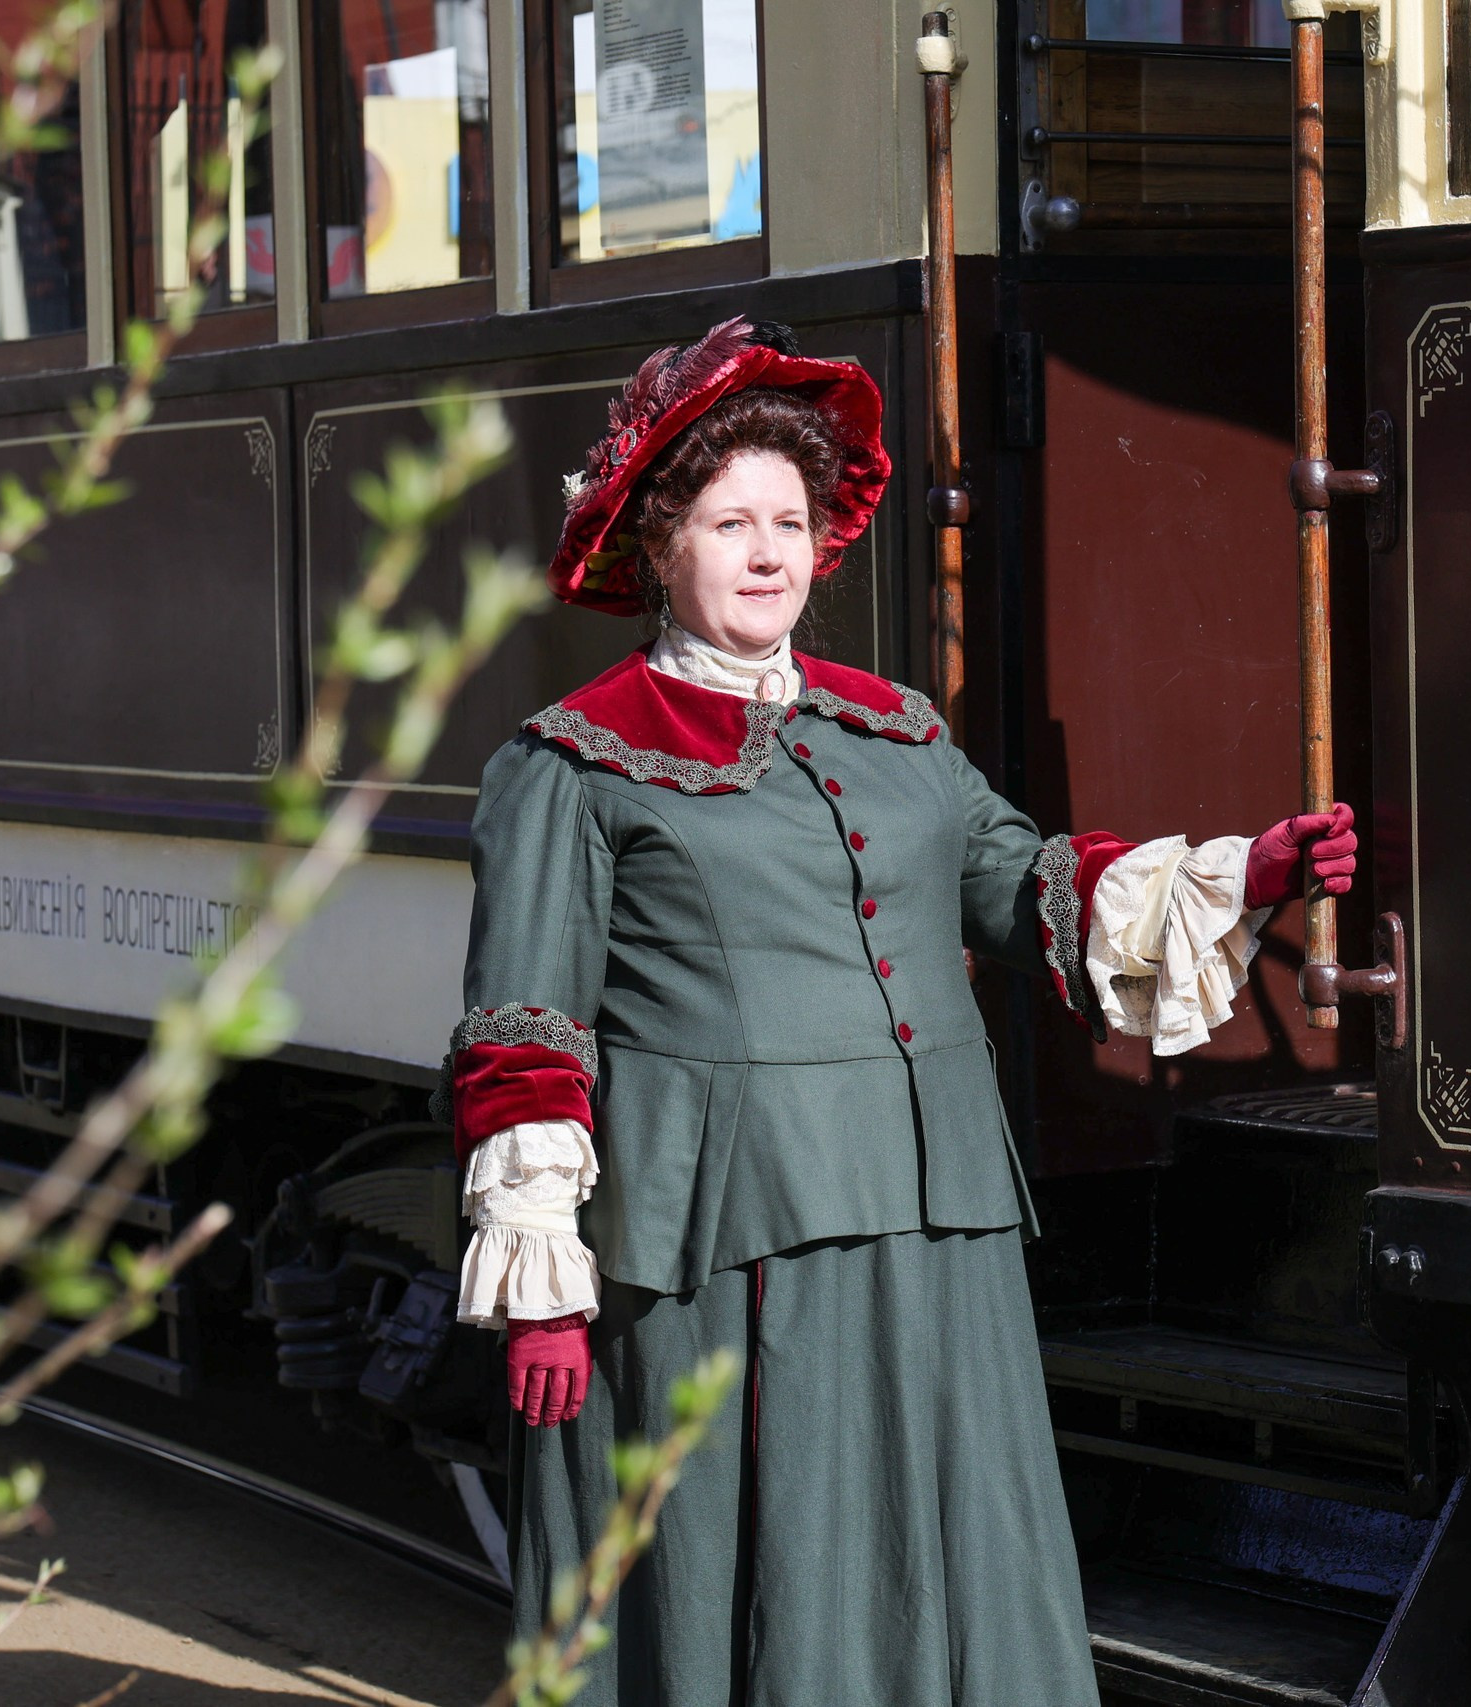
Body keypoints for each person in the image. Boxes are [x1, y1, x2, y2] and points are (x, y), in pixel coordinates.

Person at [444, 316, 1360, 1706]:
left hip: (939, 1228)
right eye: (728, 521)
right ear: (658, 547)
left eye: (791, 523)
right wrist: (543, 1297)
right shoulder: (575, 762)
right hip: (734, 1247)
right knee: (764, 1564)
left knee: (951, 1550)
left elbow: (1026, 886)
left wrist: (1255, 871)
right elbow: (526, 1033)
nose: (767, 553)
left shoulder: (898, 733)